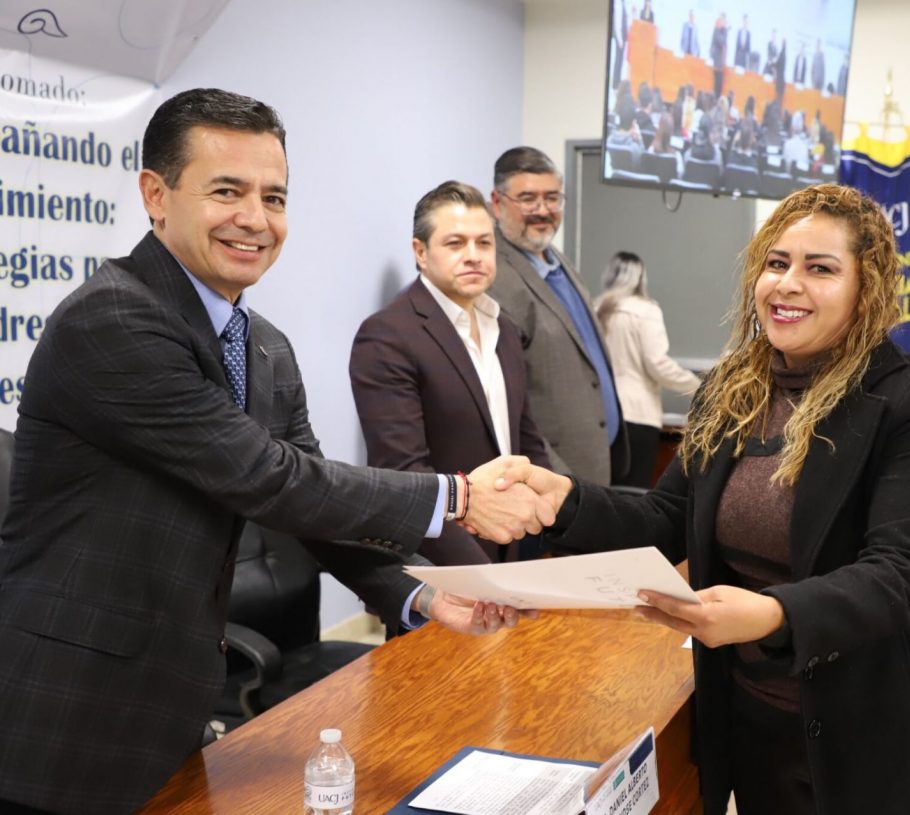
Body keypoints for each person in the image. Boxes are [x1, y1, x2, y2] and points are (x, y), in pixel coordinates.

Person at [0, 89, 545, 815]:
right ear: (155, 195)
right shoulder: (113, 317)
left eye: (274, 197)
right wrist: (459, 496)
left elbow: (310, 508)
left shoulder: (264, 346)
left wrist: (420, 593)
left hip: (177, 694)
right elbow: (267, 478)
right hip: (69, 706)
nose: (255, 219)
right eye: (227, 191)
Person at [497, 185, 910, 814]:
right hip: (759, 724)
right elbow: (669, 517)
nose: (787, 284)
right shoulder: (731, 390)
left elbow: (905, 573)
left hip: (885, 728)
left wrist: (774, 614)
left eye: (820, 268)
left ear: (867, 288)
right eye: (776, 263)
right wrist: (566, 501)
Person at [350, 181, 551, 565]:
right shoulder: (387, 335)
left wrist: (548, 522)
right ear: (420, 252)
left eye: (484, 243)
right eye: (455, 244)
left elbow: (526, 440)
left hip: (509, 552)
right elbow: (405, 473)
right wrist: (477, 572)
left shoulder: (503, 328)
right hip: (437, 563)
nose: (473, 256)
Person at [488, 147, 628, 486]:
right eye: (528, 199)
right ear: (497, 202)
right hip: (553, 478)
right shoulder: (493, 279)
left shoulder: (557, 260)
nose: (543, 210)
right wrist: (558, 478)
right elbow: (506, 405)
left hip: (595, 463)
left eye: (552, 198)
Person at [595, 252, 700, 488]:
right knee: (633, 493)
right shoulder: (646, 310)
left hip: (602, 415)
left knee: (603, 492)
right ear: (641, 277)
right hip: (637, 415)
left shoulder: (596, 308)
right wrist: (698, 385)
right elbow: (657, 364)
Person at [709, 13, 729, 100]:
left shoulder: (724, 31)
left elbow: (725, 44)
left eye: (724, 21)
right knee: (716, 85)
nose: (724, 22)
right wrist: (725, 30)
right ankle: (714, 99)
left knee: (719, 86)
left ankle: (716, 99)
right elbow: (721, 41)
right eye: (722, 20)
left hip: (721, 63)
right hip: (716, 62)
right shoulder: (716, 29)